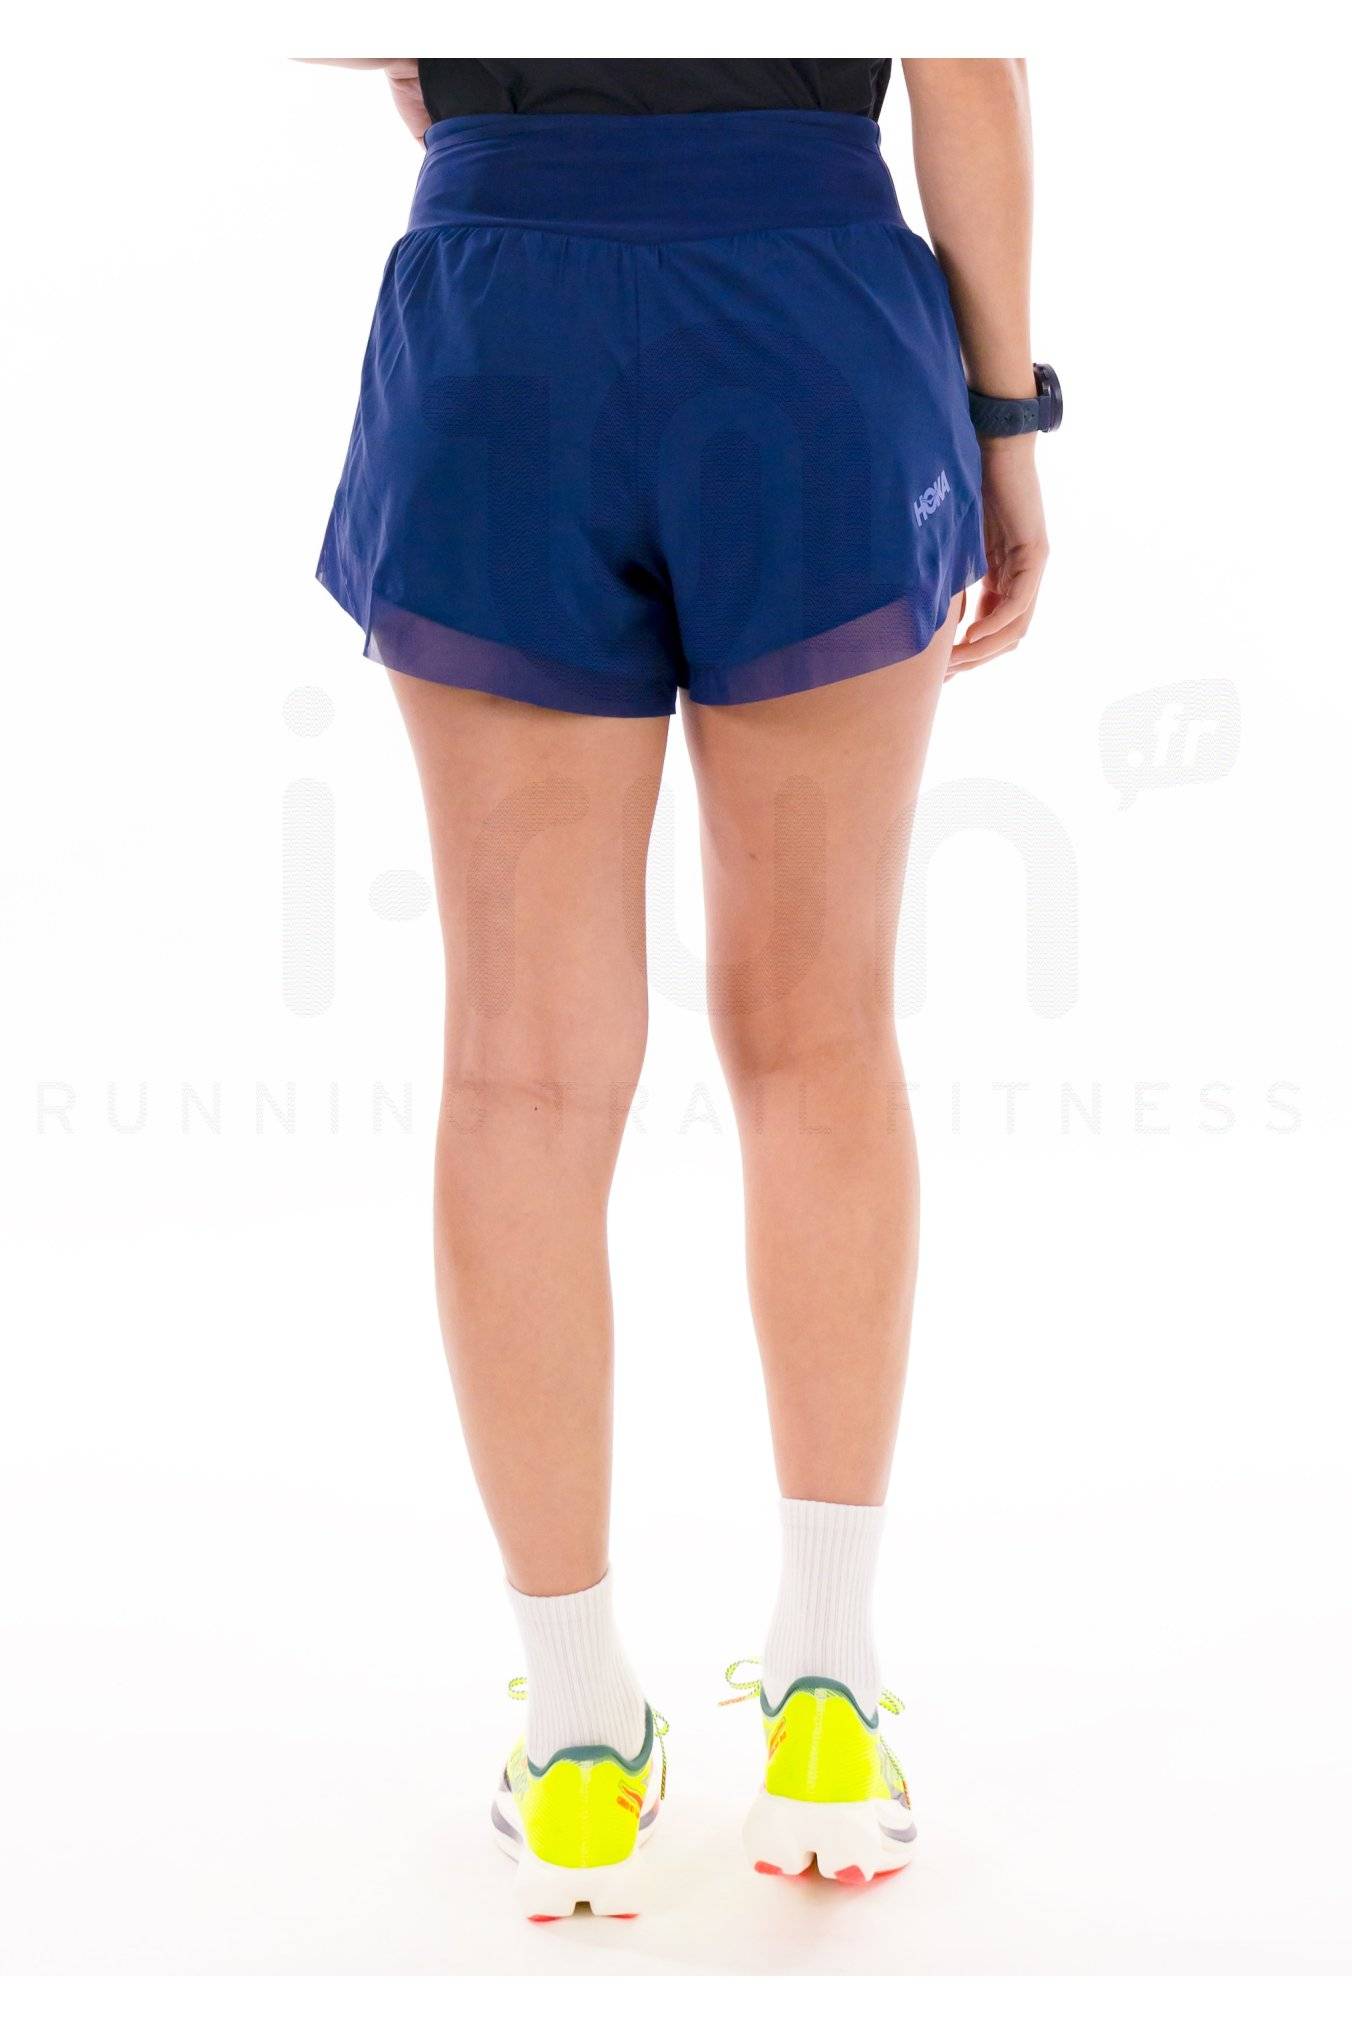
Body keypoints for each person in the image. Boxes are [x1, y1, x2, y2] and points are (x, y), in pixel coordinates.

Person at [308, 57, 1054, 1920]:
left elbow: (399, 61)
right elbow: (966, 66)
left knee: (520, 1069)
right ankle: (827, 1693)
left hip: (499, 311)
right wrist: (1007, 424)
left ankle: (577, 1739)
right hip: (812, 309)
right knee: (820, 1030)